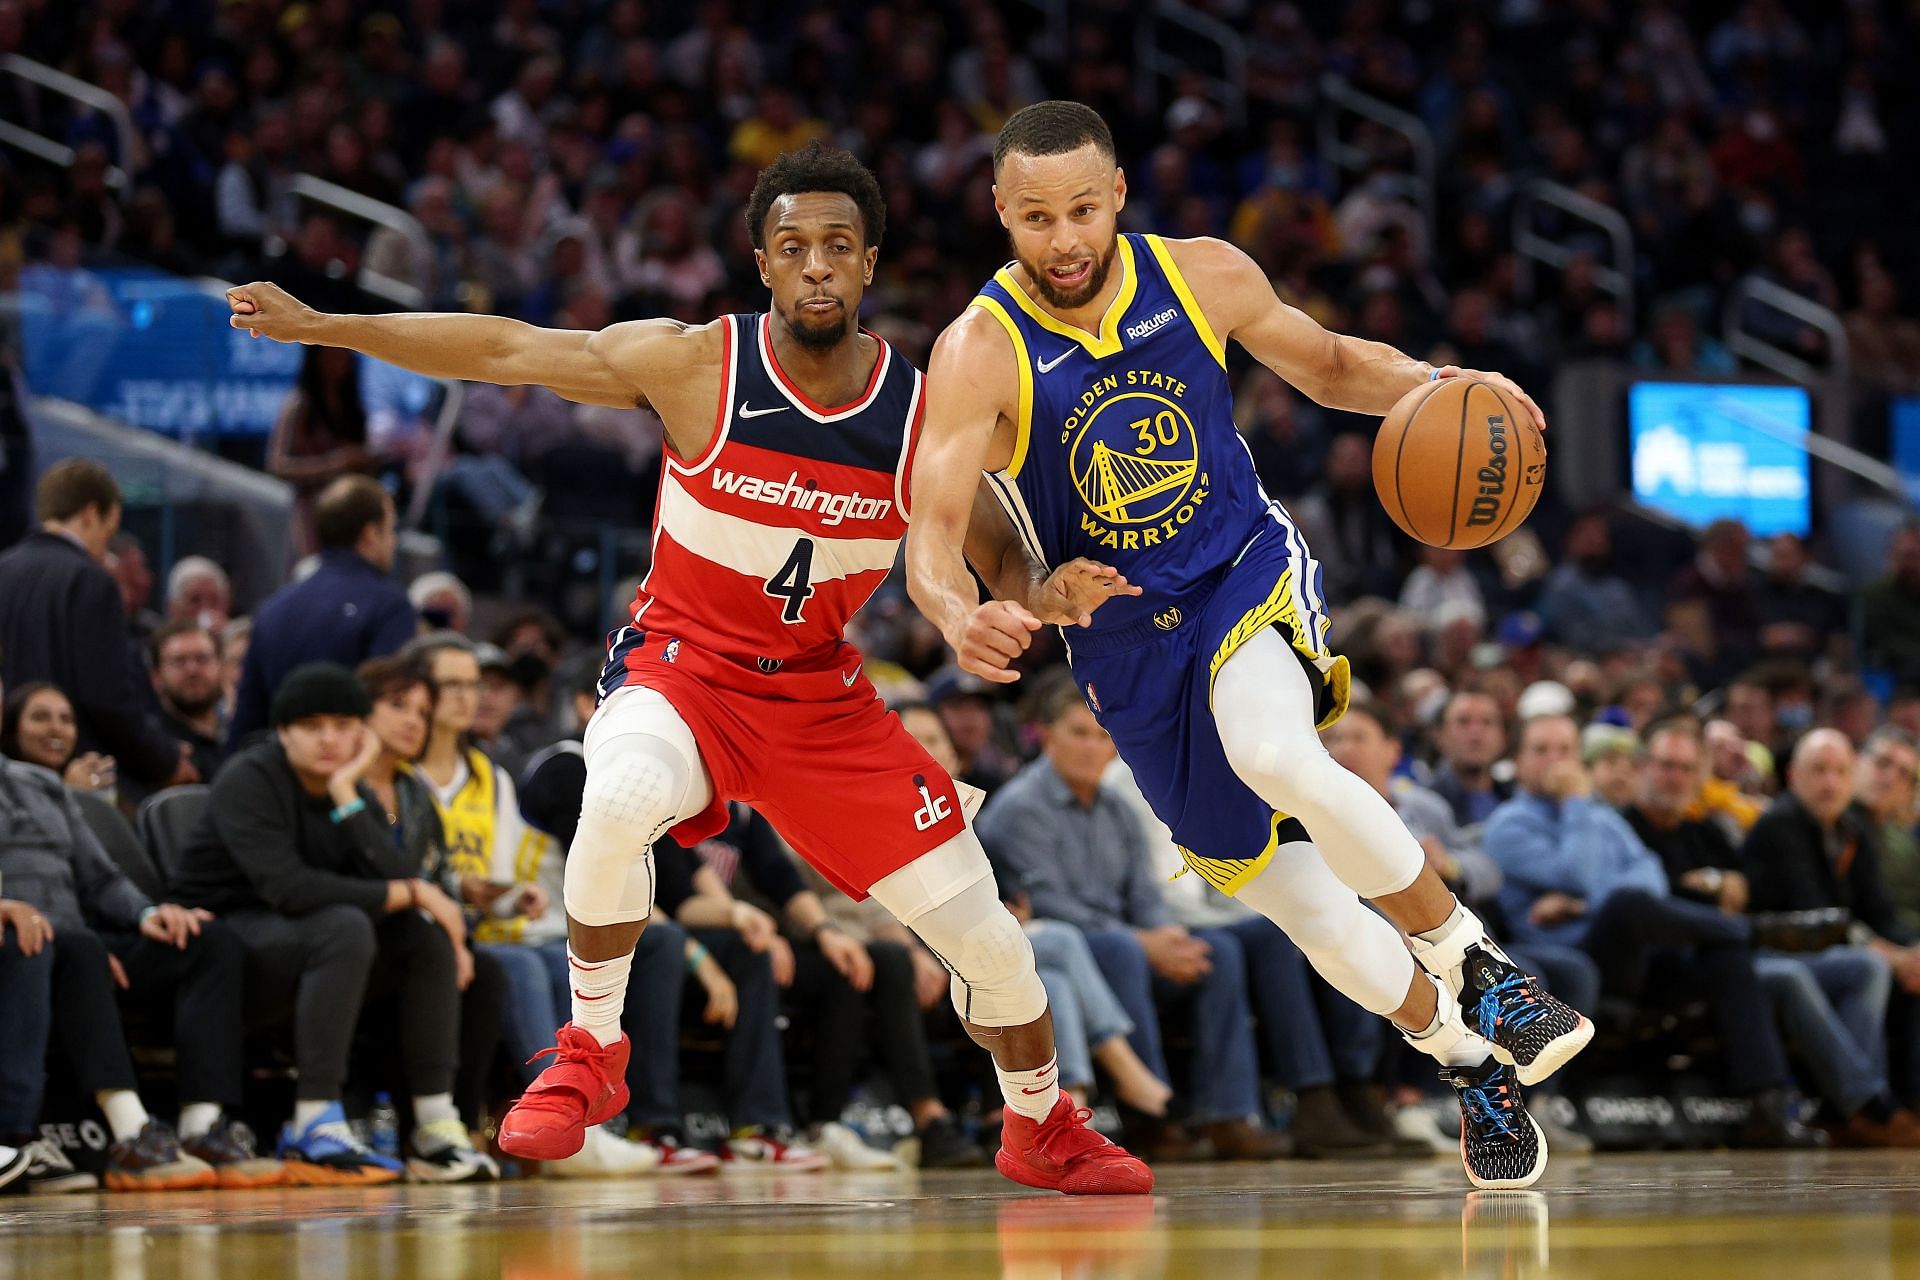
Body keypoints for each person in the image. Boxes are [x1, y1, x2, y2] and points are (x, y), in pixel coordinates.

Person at [225, 143, 1151, 1195]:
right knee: (614, 791)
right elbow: (506, 346)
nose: (815, 267)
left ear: (869, 265)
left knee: (988, 938)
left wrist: (1043, 591)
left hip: (820, 695)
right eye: (793, 247)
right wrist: (327, 324)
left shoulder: (918, 408)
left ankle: (1040, 1122)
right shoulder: (696, 363)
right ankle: (590, 1051)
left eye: (837, 248)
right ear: (763, 262)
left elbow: (994, 547)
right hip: (685, 666)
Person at [905, 100, 1586, 1188]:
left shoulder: (1200, 274)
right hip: (1126, 650)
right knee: (1309, 912)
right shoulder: (977, 352)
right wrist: (968, 607)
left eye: (1083, 208)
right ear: (999, 211)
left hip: (1239, 572)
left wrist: (1438, 385)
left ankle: (1479, 960)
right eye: (1037, 217)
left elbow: (1324, 363)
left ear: (1119, 193)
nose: (1065, 238)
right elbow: (931, 533)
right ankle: (1464, 1054)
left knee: (1276, 751)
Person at [168, 663, 495, 1184]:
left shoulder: (346, 787)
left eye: (344, 727)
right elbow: (289, 889)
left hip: (309, 940)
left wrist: (347, 790)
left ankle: (435, 1125)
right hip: (224, 940)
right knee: (345, 925)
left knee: (421, 936)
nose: (330, 740)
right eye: (313, 726)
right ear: (283, 731)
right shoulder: (249, 779)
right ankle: (314, 1121)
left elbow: (399, 877)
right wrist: (409, 891)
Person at [978, 685, 1291, 1162]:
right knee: (1119, 950)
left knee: (1217, 952)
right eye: (1078, 733)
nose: (1091, 747)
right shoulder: (1020, 809)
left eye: (1101, 737)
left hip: (1124, 940)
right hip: (1065, 947)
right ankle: (1148, 1118)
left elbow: (1144, 895)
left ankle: (1226, 1114)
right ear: (1047, 737)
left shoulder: (1119, 808)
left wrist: (1165, 934)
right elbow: (1046, 906)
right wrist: (1143, 942)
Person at [1484, 714, 1819, 1147]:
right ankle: (1751, 931)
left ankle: (1766, 1104)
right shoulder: (1510, 824)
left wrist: (1584, 904)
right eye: (1542, 751)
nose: (1556, 762)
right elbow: (1579, 872)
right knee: (1631, 906)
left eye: (1565, 750)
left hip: (1636, 958)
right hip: (1578, 959)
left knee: (1724, 956)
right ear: (1518, 761)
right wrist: (1576, 805)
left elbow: (1652, 880)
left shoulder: (1603, 819)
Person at [0, 666, 274, 1192]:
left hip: (80, 939)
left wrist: (152, 914)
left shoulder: (42, 786)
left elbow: (103, 879)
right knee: (73, 946)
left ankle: (201, 1125)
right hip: (30, 943)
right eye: (40, 715)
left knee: (207, 939)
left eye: (65, 716)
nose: (56, 726)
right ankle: (129, 1135)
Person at [1627, 721, 1916, 1146]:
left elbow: (1873, 912)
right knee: (1802, 974)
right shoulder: (1778, 826)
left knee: (1867, 967)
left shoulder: (1707, 831)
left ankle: (1853, 1107)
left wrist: (1909, 951)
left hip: (1745, 952)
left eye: (1687, 768)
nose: (1830, 783)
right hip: (1745, 955)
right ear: (1793, 776)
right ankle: (1868, 1104)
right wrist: (1714, 888)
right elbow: (1656, 898)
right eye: (1819, 770)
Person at [350, 656, 514, 1164]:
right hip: (358, 933)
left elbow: (439, 878)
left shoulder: (413, 793)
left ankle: (459, 1128)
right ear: (362, 711)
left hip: (414, 940)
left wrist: (460, 936)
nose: (412, 722)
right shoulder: (338, 784)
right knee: (433, 951)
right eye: (398, 707)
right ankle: (428, 1121)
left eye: (421, 712)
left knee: (485, 972)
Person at [0, 461, 194, 790]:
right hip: (79, 776)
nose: (106, 545)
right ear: (91, 513)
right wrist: (164, 760)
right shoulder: (92, 580)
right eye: (110, 530)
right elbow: (107, 697)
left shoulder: (4, 568)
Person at [227, 475, 419, 750]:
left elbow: (247, 722)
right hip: (351, 774)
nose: (393, 542)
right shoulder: (390, 606)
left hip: (279, 772)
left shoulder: (273, 608)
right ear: (369, 534)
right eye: (390, 530)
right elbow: (388, 712)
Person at [2, 683, 118, 799]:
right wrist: (72, 793)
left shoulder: (89, 785)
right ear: (13, 728)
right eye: (41, 717)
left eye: (66, 719)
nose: (57, 728)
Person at [149, 622, 227, 786]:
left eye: (202, 659)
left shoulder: (239, 733)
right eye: (179, 661)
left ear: (221, 666)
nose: (192, 670)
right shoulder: (153, 746)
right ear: (156, 677)